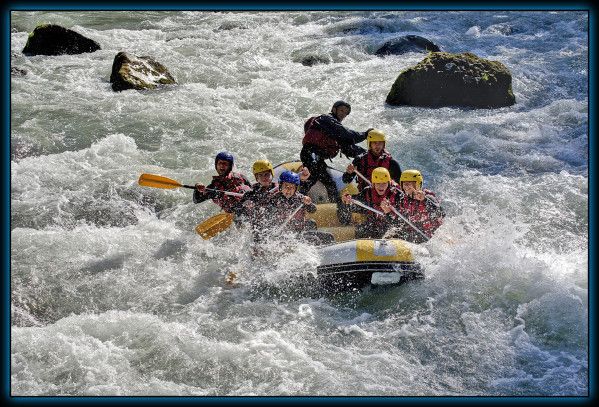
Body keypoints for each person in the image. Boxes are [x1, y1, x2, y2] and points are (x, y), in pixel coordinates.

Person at [299, 100, 372, 212]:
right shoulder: (326, 119)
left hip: (318, 160)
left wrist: (368, 153)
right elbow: (347, 135)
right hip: (310, 154)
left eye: (346, 112)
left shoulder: (336, 131)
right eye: (341, 110)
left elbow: (349, 149)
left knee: (330, 184)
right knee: (311, 177)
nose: (343, 114)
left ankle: (336, 209)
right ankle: (298, 202)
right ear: (334, 109)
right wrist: (365, 135)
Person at [270, 170, 334, 245]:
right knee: (315, 239)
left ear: (295, 189)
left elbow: (313, 210)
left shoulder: (300, 197)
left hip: (298, 231)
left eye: (292, 187)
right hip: (285, 235)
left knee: (321, 230)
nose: (289, 190)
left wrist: (309, 203)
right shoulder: (274, 199)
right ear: (280, 186)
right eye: (286, 186)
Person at [340, 167, 404, 239]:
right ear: (373, 184)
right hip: (374, 224)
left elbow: (400, 223)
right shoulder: (367, 192)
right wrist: (347, 201)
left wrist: (388, 212)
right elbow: (355, 205)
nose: (381, 186)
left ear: (389, 183)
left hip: (391, 226)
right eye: (378, 183)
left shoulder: (398, 195)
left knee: (394, 233)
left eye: (384, 183)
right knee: (361, 230)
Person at [387, 169, 445, 243]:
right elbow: (399, 224)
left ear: (418, 184)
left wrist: (424, 200)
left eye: (409, 183)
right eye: (404, 183)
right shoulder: (402, 201)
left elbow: (441, 214)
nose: (406, 186)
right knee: (391, 235)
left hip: (430, 237)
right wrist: (388, 213)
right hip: (413, 235)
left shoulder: (428, 198)